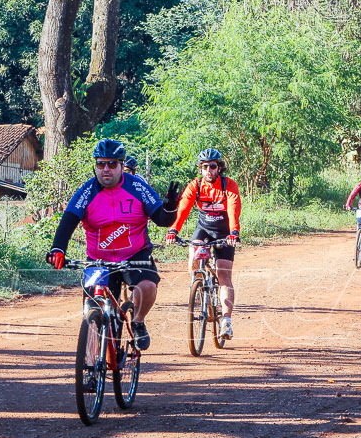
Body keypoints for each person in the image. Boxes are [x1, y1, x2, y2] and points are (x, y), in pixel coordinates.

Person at [46, 139, 179, 350]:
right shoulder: (86, 191)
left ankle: (138, 322)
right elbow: (68, 221)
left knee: (147, 287)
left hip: (135, 254)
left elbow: (163, 220)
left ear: (121, 165)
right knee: (93, 307)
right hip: (99, 259)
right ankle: (91, 361)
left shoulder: (137, 186)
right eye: (101, 164)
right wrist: (58, 249)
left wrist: (171, 207)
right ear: (95, 166)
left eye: (112, 164)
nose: (106, 169)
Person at [165, 148, 242, 339]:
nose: (209, 170)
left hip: (224, 230)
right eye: (205, 167)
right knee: (193, 259)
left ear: (219, 168)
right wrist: (174, 229)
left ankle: (226, 321)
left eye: (212, 166)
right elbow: (183, 209)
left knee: (224, 275)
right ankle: (199, 290)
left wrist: (234, 232)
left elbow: (233, 210)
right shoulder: (195, 186)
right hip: (204, 228)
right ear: (201, 169)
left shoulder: (229, 185)